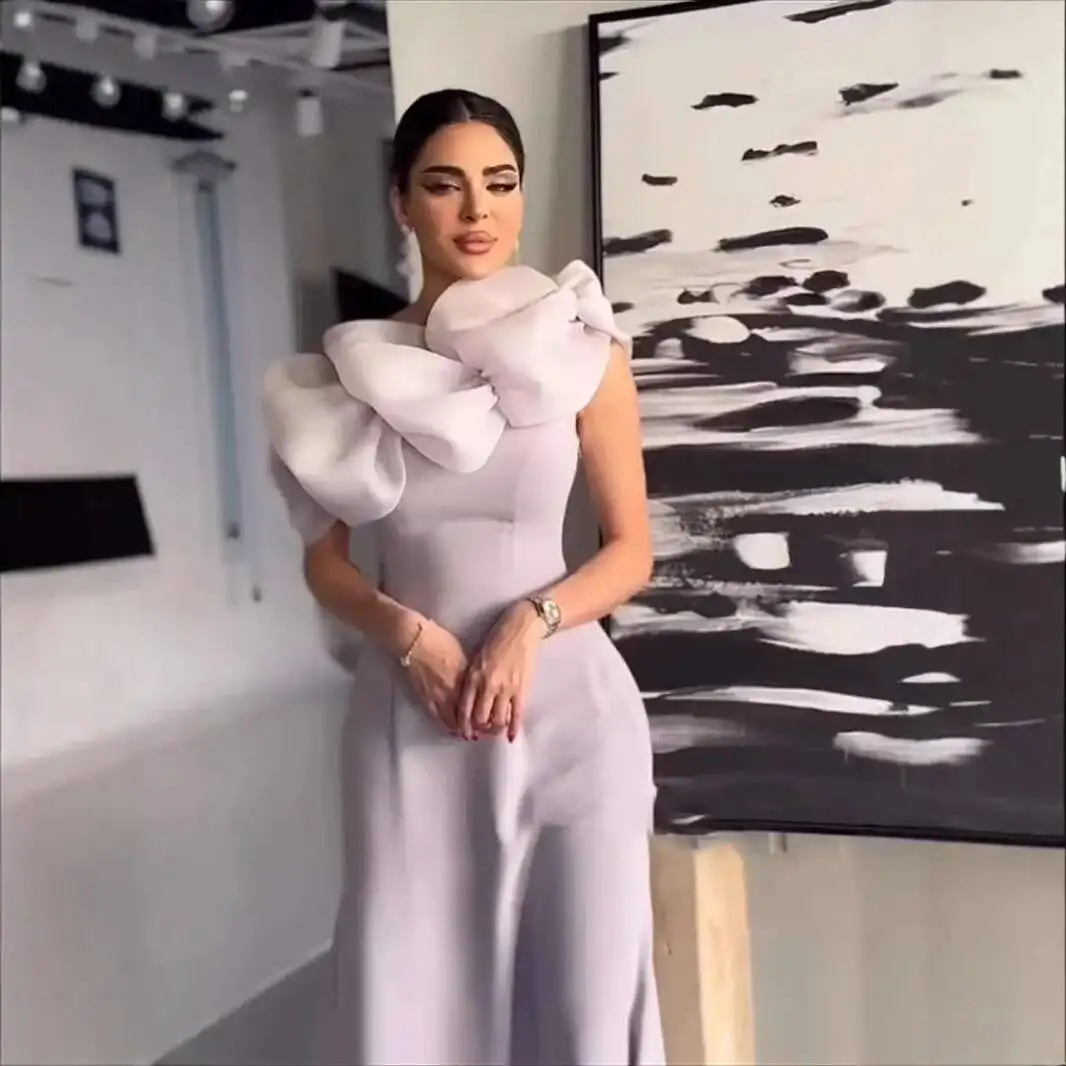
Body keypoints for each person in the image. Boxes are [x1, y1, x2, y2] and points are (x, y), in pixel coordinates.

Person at [263, 88, 664, 1066]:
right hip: (412, 718)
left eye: (500, 182)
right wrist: (413, 638)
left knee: (584, 1006)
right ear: (402, 203)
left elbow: (631, 550)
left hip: (573, 718)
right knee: (416, 1003)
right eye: (445, 185)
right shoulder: (344, 381)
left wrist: (531, 622)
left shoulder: (582, 352)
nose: (478, 209)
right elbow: (325, 566)